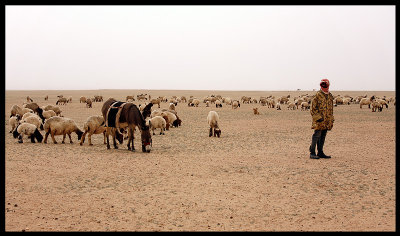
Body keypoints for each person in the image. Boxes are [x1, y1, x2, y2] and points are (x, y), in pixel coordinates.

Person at [309, 78, 335, 159]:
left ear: (328, 85)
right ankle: (312, 152)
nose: (324, 87)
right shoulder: (317, 96)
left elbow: (330, 108)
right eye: (322, 85)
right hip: (319, 120)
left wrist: (331, 118)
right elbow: (313, 109)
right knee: (316, 135)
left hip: (327, 120)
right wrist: (318, 118)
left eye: (326, 85)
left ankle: (320, 152)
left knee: (323, 135)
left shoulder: (330, 96)